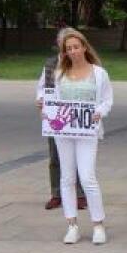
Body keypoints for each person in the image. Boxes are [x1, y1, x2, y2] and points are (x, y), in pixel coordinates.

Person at [41, 29, 113, 245]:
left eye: (76, 47)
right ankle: (72, 224)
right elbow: (48, 97)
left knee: (88, 177)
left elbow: (107, 100)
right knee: (67, 177)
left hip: (87, 131)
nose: (73, 51)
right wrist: (45, 108)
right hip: (63, 131)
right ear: (64, 52)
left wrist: (100, 112)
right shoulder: (59, 73)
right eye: (68, 48)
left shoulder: (99, 73)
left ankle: (98, 224)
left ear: (84, 47)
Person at [37, 29, 85, 211]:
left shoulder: (83, 64)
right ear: (59, 44)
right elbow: (42, 87)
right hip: (55, 117)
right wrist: (41, 100)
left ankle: (80, 194)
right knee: (55, 156)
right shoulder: (50, 64)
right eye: (64, 42)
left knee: (80, 156)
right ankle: (56, 193)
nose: (69, 48)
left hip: (76, 118)